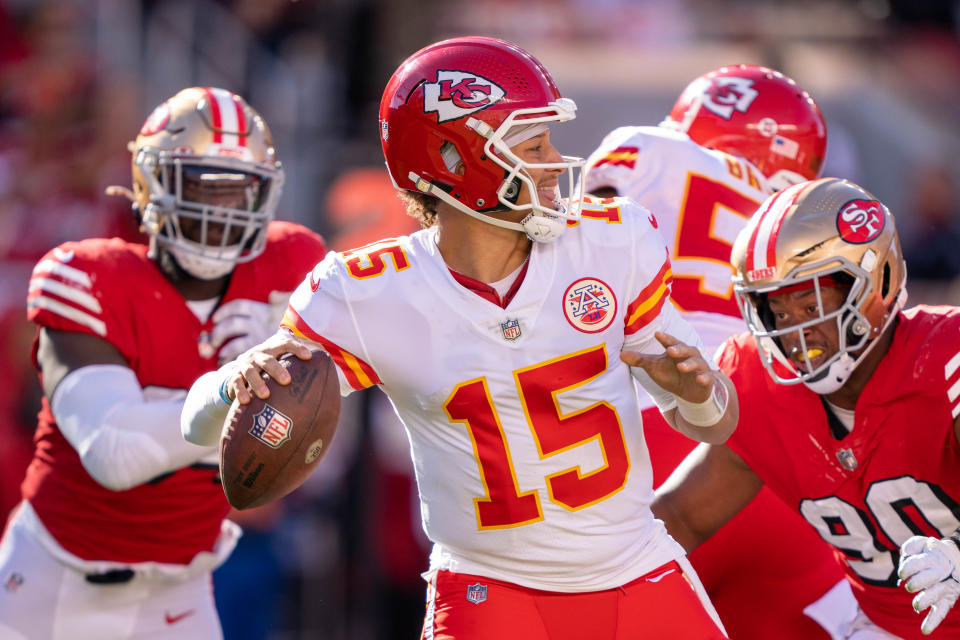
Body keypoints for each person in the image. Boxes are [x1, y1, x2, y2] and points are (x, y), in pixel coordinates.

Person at [183, 36, 738, 639]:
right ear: (452, 161)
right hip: (490, 590)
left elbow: (716, 425)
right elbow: (198, 428)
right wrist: (229, 389)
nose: (556, 160)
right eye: (532, 145)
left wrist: (701, 393)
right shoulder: (365, 291)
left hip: (638, 572)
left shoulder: (611, 241)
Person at [0, 86, 327, 639]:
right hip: (56, 590)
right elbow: (115, 454)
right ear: (151, 184)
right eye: (199, 184)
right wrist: (236, 386)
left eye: (237, 191)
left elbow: (363, 374)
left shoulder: (288, 264)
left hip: (183, 592)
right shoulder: (86, 276)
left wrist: (306, 359)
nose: (218, 209)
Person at [581, 65, 843, 638]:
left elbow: (575, 264)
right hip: (790, 469)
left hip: (655, 438)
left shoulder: (647, 152)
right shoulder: (814, 217)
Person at [652, 176, 960, 639]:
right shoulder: (756, 383)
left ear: (877, 281)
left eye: (811, 300)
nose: (796, 328)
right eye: (777, 309)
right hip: (889, 627)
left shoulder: (946, 358)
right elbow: (679, 518)